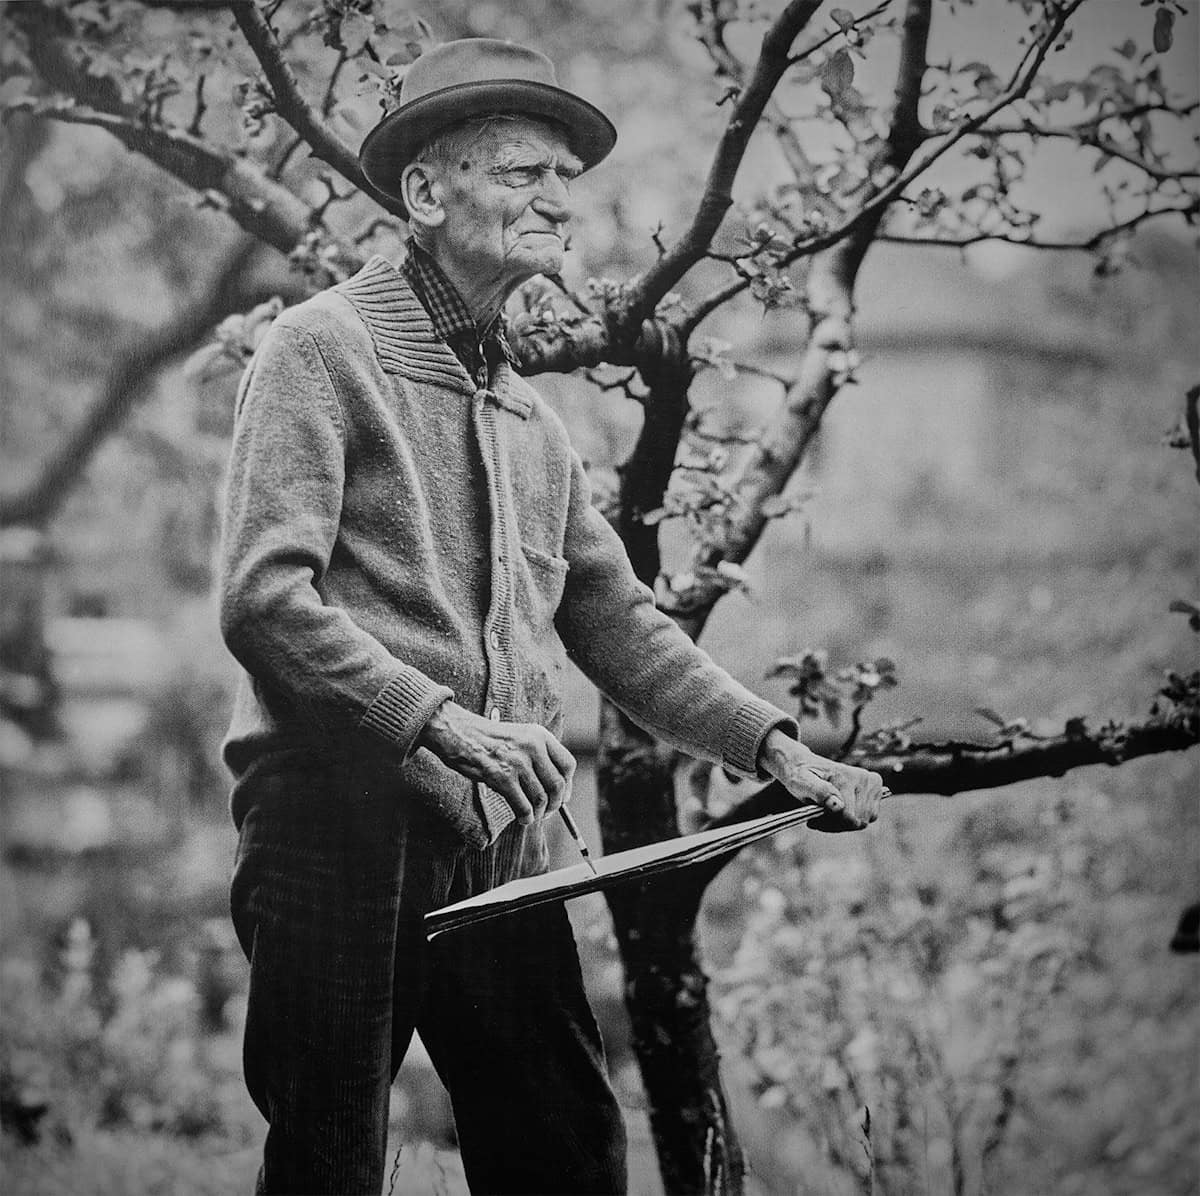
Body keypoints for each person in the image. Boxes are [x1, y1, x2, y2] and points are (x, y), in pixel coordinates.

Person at [218, 37, 884, 1196]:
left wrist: (778, 747)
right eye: (525, 172)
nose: (557, 202)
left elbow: (619, 621)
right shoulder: (317, 350)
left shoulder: (531, 417)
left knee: (568, 1154)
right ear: (427, 194)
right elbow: (264, 599)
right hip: (334, 823)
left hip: (498, 844)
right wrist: (439, 721)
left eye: (564, 179)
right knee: (327, 1164)